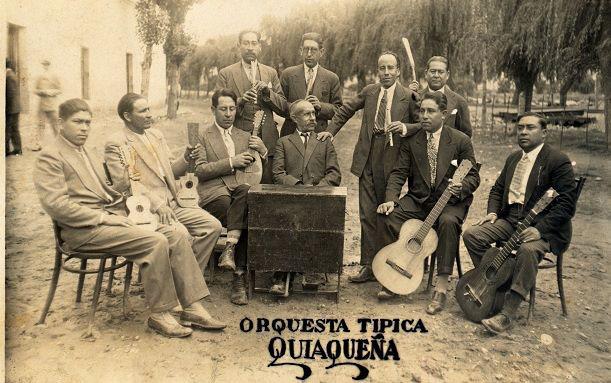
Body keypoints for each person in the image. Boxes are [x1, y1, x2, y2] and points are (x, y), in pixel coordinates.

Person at [33, 98, 226, 337]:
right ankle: (160, 314)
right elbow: (57, 206)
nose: (84, 128)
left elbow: (110, 191)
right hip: (82, 230)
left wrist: (125, 209)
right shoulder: (50, 156)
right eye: (78, 122)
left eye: (87, 123)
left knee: (174, 234)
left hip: (111, 217)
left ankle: (192, 306)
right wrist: (107, 218)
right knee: (155, 241)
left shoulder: (86, 151)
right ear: (61, 123)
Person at [462, 112, 577, 334]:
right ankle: (496, 285)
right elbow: (497, 189)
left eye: (530, 128)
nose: (523, 132)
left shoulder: (557, 160)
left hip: (544, 227)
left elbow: (566, 205)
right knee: (472, 235)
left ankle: (508, 312)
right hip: (510, 219)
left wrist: (539, 229)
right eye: (520, 127)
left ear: (544, 132)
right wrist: (493, 213)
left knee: (526, 249)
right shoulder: (514, 158)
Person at [318, 51, 419, 284]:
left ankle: (386, 263)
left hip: (393, 158)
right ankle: (367, 265)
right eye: (381, 68)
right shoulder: (369, 92)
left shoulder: (408, 96)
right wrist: (330, 131)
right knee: (366, 213)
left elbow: (421, 124)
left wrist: (404, 127)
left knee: (387, 212)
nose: (385, 73)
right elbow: (346, 109)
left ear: (398, 71)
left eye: (390, 68)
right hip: (367, 156)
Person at [378, 91, 480, 313]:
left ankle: (441, 288)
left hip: (450, 201)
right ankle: (399, 272)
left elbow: (473, 176)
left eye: (430, 111)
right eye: (422, 111)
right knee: (389, 216)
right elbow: (398, 173)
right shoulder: (412, 141)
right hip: (419, 200)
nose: (424, 115)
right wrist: (390, 200)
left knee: (448, 223)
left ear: (443, 114)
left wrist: (460, 187)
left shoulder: (460, 141)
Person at [104, 93, 222, 272]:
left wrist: (186, 158)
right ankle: (181, 282)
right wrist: (158, 204)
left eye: (149, 109)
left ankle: (188, 278)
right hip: (144, 209)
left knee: (213, 227)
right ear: (127, 116)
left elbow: (170, 173)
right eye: (143, 111)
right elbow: (125, 184)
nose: (150, 114)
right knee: (180, 233)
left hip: (172, 203)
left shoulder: (155, 135)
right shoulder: (116, 143)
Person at [193, 88, 267, 306]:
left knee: (245, 194)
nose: (228, 114)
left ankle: (230, 252)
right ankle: (239, 279)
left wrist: (262, 151)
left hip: (240, 193)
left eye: (232, 109)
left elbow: (259, 173)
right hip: (214, 193)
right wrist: (230, 163)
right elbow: (199, 170)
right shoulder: (202, 135)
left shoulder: (245, 136)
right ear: (213, 110)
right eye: (223, 109)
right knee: (243, 211)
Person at [270, 99, 342, 295]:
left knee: (316, 219)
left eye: (313, 113)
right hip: (292, 198)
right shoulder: (283, 142)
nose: (313, 118)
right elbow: (278, 174)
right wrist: (299, 187)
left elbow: (334, 174)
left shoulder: (324, 141)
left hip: (318, 199)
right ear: (294, 118)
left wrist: (317, 189)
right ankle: (282, 273)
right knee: (284, 221)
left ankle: (312, 269)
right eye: (306, 114)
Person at [216, 30, 287, 183]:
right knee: (239, 187)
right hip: (237, 140)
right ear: (238, 46)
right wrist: (240, 101)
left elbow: (283, 108)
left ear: (259, 47)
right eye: (246, 43)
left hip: (267, 141)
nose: (250, 47)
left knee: (267, 186)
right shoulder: (226, 73)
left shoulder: (271, 72)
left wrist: (268, 93)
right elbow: (217, 108)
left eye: (254, 43)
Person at [279, 32, 342, 137]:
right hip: (290, 135)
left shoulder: (332, 78)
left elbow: (338, 110)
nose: (309, 54)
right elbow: (280, 104)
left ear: (321, 52)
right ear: (300, 51)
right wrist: (298, 107)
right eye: (306, 49)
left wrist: (320, 106)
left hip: (319, 136)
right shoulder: (288, 74)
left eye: (313, 50)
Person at [411, 56, 472, 137]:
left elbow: (466, 134)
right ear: (426, 74)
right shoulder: (414, 97)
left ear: (447, 75)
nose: (436, 75)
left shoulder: (459, 101)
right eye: (433, 71)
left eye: (440, 72)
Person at [33, 60, 62, 151]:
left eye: (47, 65)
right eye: (44, 65)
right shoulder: (39, 77)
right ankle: (39, 144)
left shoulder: (54, 76)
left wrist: (51, 92)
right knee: (40, 124)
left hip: (52, 105)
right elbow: (35, 90)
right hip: (42, 104)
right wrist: (42, 92)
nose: (45, 66)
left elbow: (60, 89)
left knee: (55, 125)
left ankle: (60, 144)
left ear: (50, 65)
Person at [5, 58, 22, 156]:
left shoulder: (8, 76)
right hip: (15, 107)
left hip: (11, 108)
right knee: (14, 128)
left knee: (8, 128)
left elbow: (10, 94)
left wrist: (6, 108)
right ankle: (17, 149)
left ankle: (6, 150)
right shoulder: (12, 75)